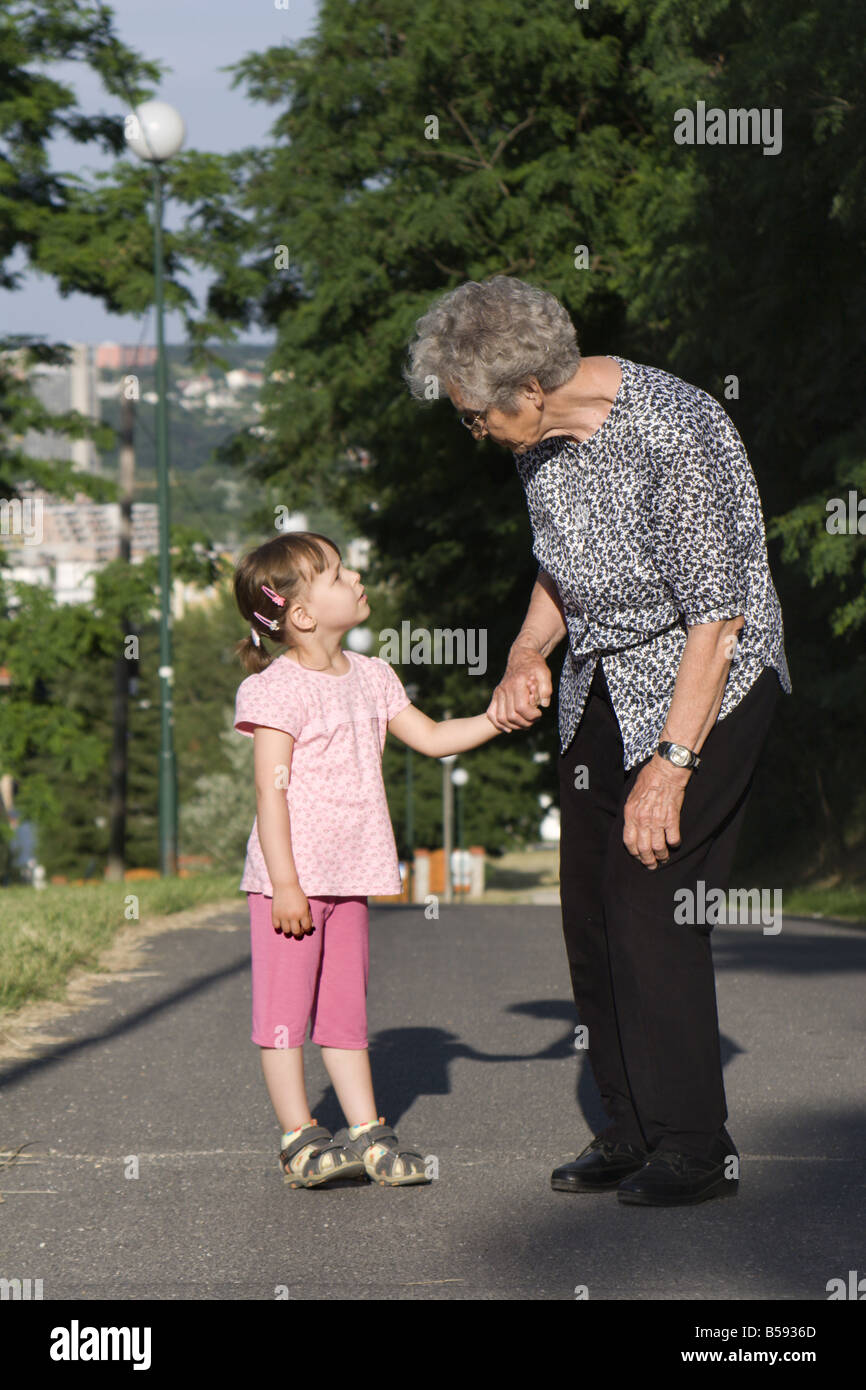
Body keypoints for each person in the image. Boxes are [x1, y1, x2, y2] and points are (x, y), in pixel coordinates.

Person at [403, 274, 792, 1206]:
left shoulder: (675, 431)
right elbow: (559, 557)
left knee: (652, 901)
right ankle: (629, 1130)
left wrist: (673, 762)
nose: (474, 433)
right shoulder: (536, 439)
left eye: (473, 416)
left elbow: (718, 617)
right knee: (590, 908)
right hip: (600, 679)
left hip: (708, 684)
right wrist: (528, 652)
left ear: (527, 389)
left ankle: (694, 1147)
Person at [232, 529, 502, 1188]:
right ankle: (299, 1139)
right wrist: (288, 883)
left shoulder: (374, 676)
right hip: (288, 884)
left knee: (346, 1011)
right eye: (336, 576)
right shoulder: (278, 688)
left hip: (350, 879)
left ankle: (367, 1131)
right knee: (283, 1014)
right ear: (301, 614)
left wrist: (499, 717)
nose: (355, 579)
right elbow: (271, 794)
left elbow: (434, 738)